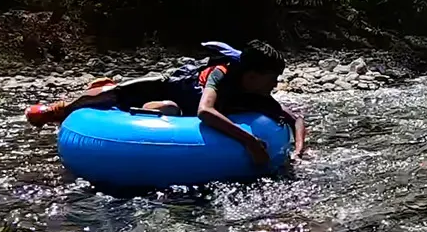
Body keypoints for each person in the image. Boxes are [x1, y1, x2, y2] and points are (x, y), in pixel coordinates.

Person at [24, 40, 307, 167]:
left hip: (175, 111)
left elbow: (295, 119)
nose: (276, 84)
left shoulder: (257, 94)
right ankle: (60, 109)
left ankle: (150, 106)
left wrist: (298, 152)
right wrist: (250, 141)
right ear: (253, 75)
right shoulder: (222, 74)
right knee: (115, 94)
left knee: (169, 109)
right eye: (273, 78)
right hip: (176, 86)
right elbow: (206, 112)